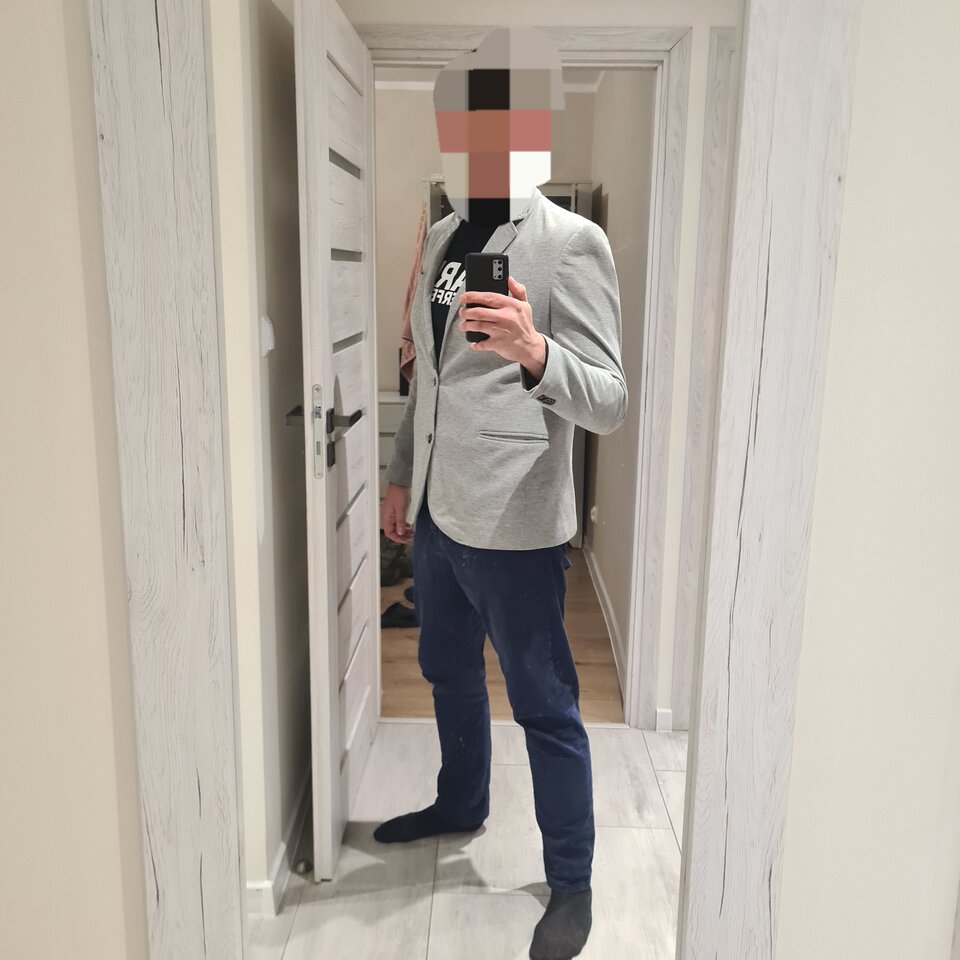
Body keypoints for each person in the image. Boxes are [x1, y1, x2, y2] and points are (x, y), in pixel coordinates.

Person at [378, 26, 627, 960]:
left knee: (545, 705)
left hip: (517, 526)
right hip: (439, 517)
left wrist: (534, 350)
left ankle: (572, 881)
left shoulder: (572, 243)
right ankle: (461, 800)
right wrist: (400, 478)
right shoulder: (445, 232)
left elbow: (609, 399)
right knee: (445, 669)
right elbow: (430, 380)